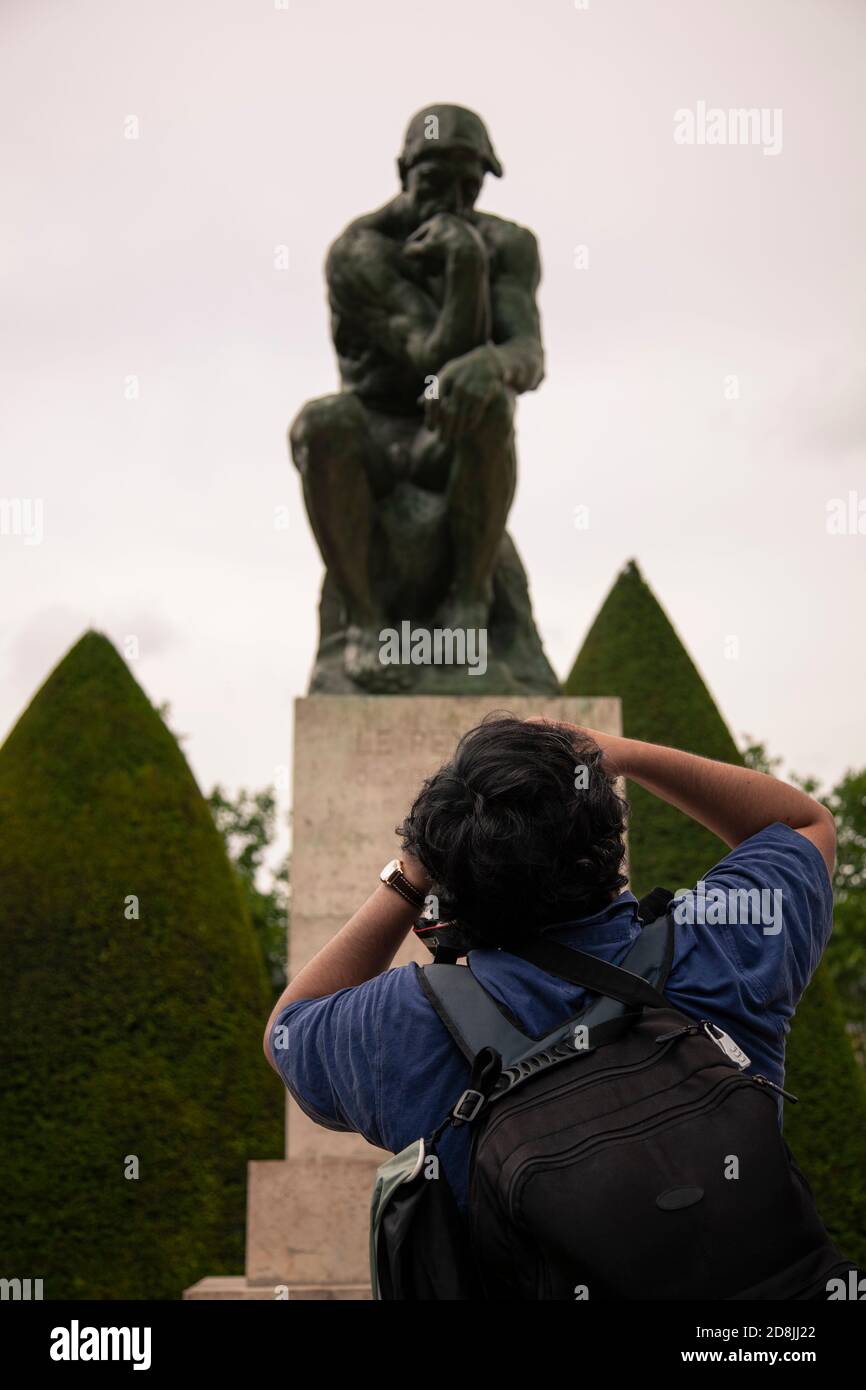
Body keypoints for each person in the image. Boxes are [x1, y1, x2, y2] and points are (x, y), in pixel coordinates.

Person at [263, 713, 836, 1224]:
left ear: (447, 884)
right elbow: (804, 823)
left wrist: (408, 876)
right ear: (609, 839)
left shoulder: (407, 1025)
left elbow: (287, 1028)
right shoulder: (719, 943)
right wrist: (625, 754)